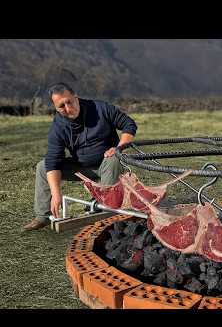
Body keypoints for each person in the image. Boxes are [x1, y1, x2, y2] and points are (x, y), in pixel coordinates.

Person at [23, 82, 138, 231]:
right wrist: (56, 194)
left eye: (69, 102)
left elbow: (129, 124)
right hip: (82, 168)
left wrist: (118, 148)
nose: (68, 108)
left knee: (114, 158)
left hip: (109, 165)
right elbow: (53, 161)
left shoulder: (101, 108)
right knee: (42, 166)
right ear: (56, 108)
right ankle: (43, 216)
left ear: (76, 97)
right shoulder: (58, 127)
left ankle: (105, 208)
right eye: (61, 106)